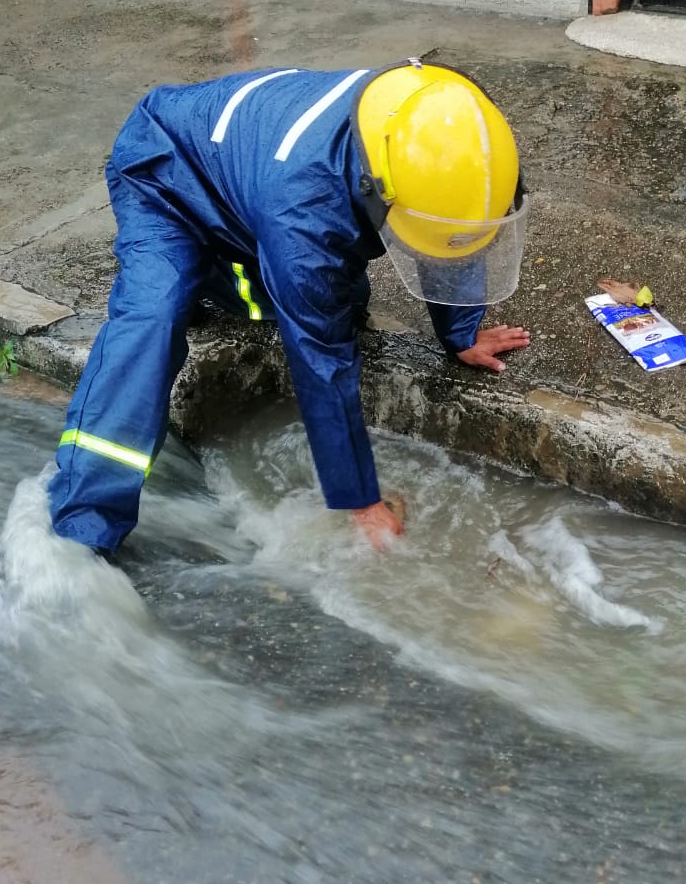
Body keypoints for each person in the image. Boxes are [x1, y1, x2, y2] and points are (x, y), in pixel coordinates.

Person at [48, 60, 531, 554]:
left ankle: (207, 271)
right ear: (376, 192)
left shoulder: (443, 119)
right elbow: (320, 359)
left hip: (251, 174)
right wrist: (360, 501)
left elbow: (451, 229)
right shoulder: (304, 216)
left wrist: (460, 333)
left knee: (339, 300)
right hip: (162, 168)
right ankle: (80, 530)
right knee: (155, 318)